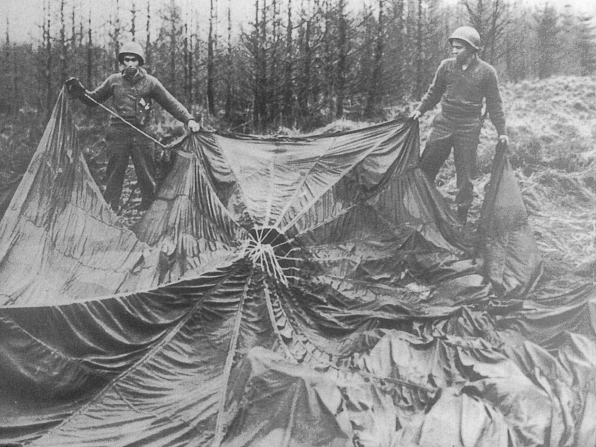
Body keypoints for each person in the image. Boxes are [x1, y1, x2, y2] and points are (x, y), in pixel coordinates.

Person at [65, 41, 201, 212]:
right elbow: (94, 100)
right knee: (115, 172)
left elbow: (171, 103)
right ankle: (111, 206)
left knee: (146, 173)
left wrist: (189, 120)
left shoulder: (151, 82)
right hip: (117, 133)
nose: (130, 64)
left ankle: (148, 208)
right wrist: (80, 92)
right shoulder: (113, 81)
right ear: (121, 62)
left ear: (139, 62)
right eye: (126, 60)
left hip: (143, 133)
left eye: (134, 60)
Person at [410, 26, 508, 224]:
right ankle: (421, 209)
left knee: (465, 177)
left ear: (472, 49)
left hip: (469, 127)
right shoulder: (446, 66)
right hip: (444, 123)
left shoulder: (487, 72)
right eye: (453, 47)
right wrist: (419, 110)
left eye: (459, 48)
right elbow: (434, 92)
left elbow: (494, 104)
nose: (454, 51)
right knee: (426, 167)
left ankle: (461, 219)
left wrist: (502, 132)